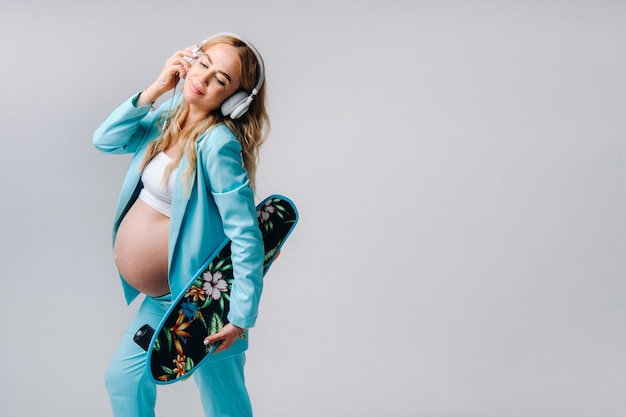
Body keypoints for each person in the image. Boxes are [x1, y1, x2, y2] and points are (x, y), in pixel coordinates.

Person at [93, 32, 269, 417]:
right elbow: (105, 140)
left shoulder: (218, 144)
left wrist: (239, 316)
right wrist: (155, 89)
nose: (204, 79)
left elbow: (246, 235)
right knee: (122, 380)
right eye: (204, 63)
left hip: (202, 303)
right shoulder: (166, 119)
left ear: (235, 101)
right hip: (164, 302)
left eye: (221, 80)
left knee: (225, 402)